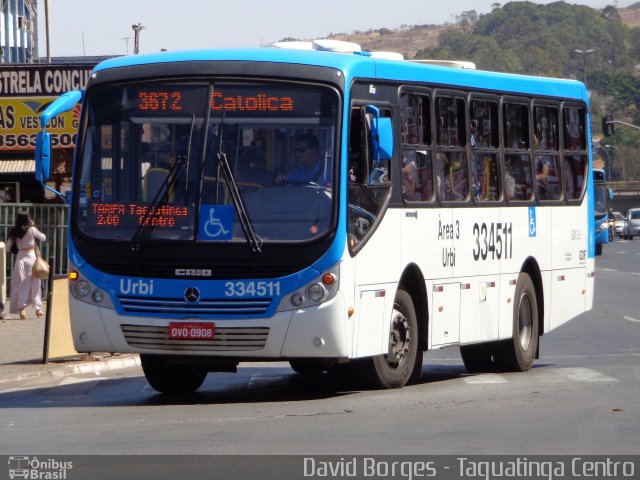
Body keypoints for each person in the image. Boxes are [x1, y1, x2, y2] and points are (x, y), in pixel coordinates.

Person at [5, 212, 46, 319]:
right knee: (35, 284)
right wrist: (33, 226)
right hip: (32, 260)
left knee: (21, 284)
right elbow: (43, 238)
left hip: (21, 260)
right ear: (28, 220)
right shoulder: (32, 230)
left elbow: (7, 248)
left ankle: (22, 309)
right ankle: (38, 309)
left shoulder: (14, 232)